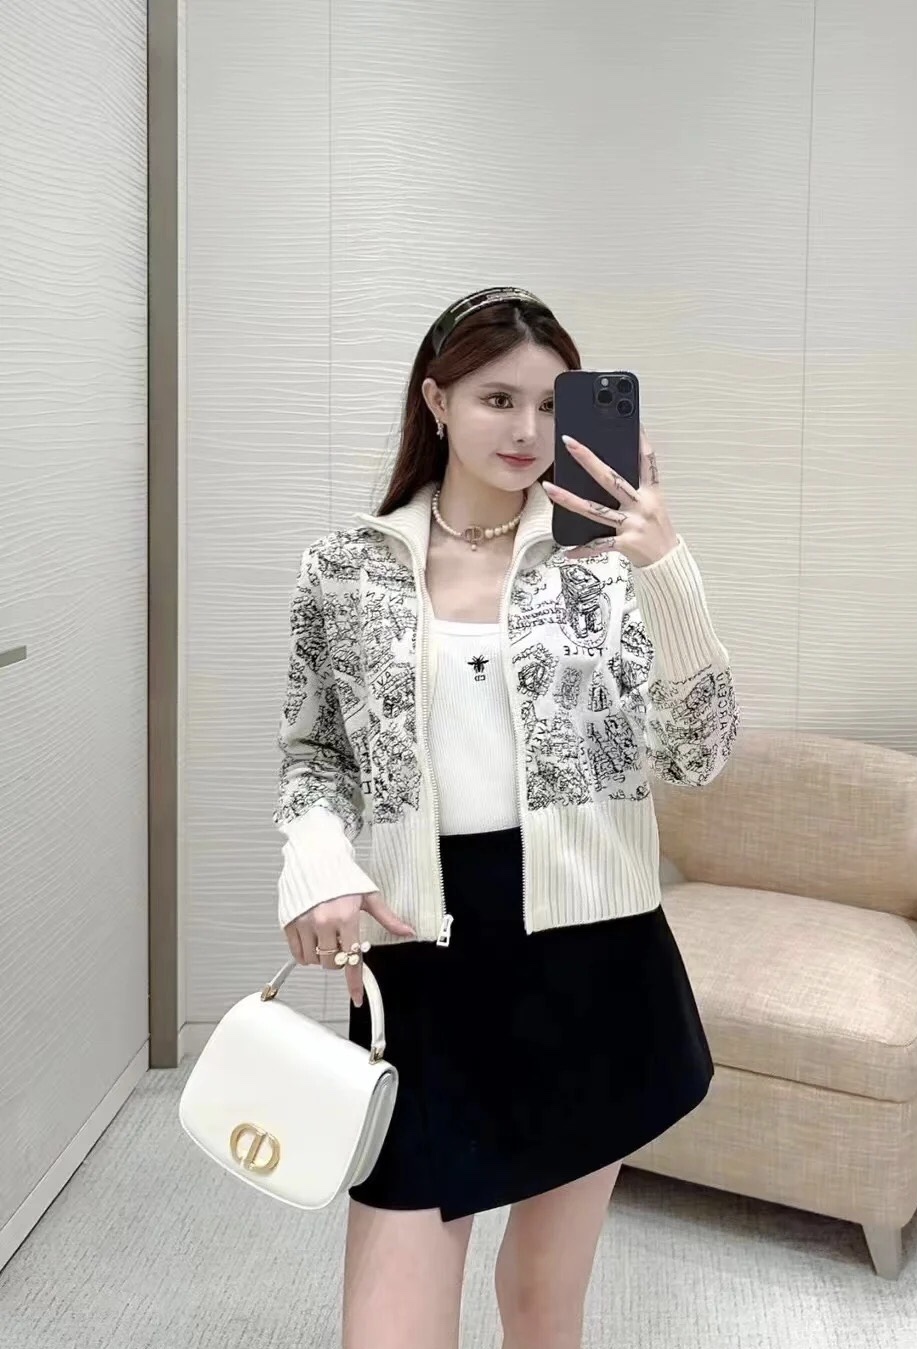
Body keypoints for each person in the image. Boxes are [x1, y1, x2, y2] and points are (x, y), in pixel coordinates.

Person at [274, 286, 738, 1349]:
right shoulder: (345, 567)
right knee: (387, 1328)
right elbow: (313, 756)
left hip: (592, 955)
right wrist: (316, 858)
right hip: (421, 959)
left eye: (548, 404)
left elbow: (698, 755)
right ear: (436, 400)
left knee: (540, 1302)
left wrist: (666, 570)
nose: (527, 430)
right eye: (496, 399)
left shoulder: (605, 569)